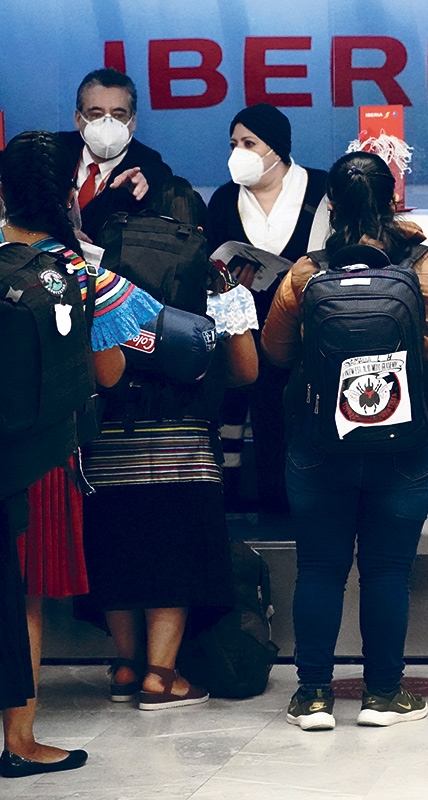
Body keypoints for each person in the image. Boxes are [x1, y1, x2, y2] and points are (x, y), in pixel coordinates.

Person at [261, 151, 428, 731]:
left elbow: (276, 352)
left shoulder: (306, 273)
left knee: (319, 567)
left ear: (330, 204)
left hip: (319, 444)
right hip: (407, 444)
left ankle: (312, 696)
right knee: (387, 569)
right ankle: (385, 693)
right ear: (395, 200)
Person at [1, 129, 161, 774]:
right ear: (68, 193)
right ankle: (21, 739)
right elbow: (110, 373)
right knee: (24, 600)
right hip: (36, 462)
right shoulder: (80, 271)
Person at [78, 176, 258, 711]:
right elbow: (246, 372)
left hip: (108, 439)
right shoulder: (212, 276)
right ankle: (162, 676)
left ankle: (127, 668)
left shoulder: (99, 275)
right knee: (174, 559)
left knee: (121, 552)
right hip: (182, 443)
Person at [207, 103, 331, 515]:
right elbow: (211, 263)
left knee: (294, 416)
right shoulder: (225, 199)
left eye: (249, 143)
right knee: (244, 406)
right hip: (244, 329)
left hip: (304, 329)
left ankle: (296, 500)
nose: (238, 152)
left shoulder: (320, 190)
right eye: (232, 144)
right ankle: (243, 501)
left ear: (275, 148)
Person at [56, 69, 174, 242]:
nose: (107, 123)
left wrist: (145, 181)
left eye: (118, 115)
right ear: (78, 119)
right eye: (96, 114)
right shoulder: (55, 148)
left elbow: (159, 176)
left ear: (132, 121)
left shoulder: (147, 165)